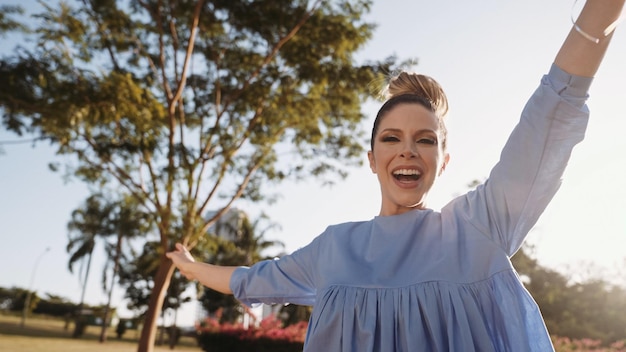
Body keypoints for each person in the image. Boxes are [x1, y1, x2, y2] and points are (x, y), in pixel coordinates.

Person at [167, 1, 624, 350]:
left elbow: (553, 109)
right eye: (391, 138)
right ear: (371, 158)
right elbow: (251, 279)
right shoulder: (333, 248)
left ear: (443, 161)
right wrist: (189, 267)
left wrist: (602, 9)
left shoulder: (479, 226)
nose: (407, 148)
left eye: (425, 139)